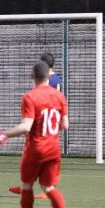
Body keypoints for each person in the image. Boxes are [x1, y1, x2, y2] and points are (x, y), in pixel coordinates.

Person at [0, 61, 72, 208]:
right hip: (53, 149)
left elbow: (26, 126)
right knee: (48, 187)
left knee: (27, 186)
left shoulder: (30, 97)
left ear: (32, 77)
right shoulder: (59, 96)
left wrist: (4, 135)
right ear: (48, 76)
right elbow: (65, 124)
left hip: (36, 149)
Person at [9, 53, 63, 196]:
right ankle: (28, 185)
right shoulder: (58, 79)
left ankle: (43, 188)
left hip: (42, 121)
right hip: (51, 120)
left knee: (35, 153)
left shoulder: (47, 80)